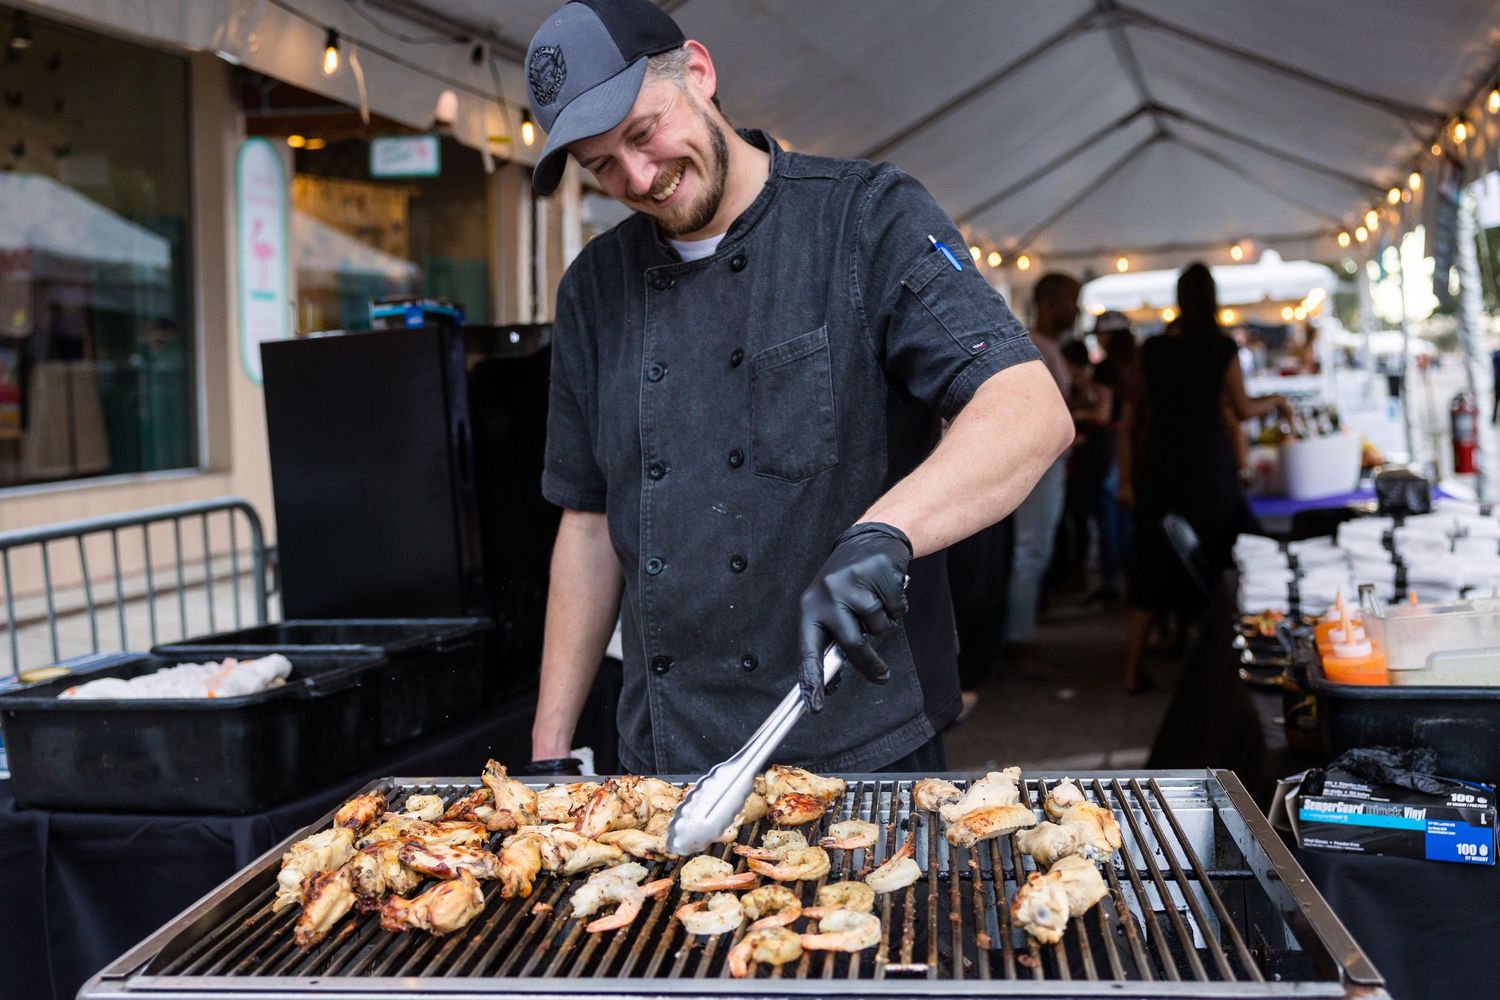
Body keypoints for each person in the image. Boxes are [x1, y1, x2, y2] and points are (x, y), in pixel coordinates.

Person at [524, 0, 1073, 774]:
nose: (639, 177)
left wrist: (887, 532)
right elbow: (587, 524)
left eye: (643, 134)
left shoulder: (865, 219)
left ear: (700, 73)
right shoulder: (592, 289)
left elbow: (1029, 409)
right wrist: (548, 753)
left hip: (858, 744)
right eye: (602, 166)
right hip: (666, 755)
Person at [1117, 263, 1291, 694]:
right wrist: (1279, 401)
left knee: (1153, 562)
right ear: (1212, 299)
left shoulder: (1153, 348)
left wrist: (1126, 477)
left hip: (1161, 463)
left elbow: (1132, 417)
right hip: (1208, 465)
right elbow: (1244, 409)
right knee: (1225, 556)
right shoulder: (1220, 348)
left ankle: (1131, 671)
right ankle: (1230, 657)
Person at [1003, 273, 1078, 646]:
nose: (1076, 309)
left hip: (1049, 464)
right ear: (1049, 302)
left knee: (1035, 550)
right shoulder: (1034, 347)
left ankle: (1020, 635)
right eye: (1071, 300)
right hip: (1040, 465)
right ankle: (1017, 641)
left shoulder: (1048, 346)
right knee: (1031, 551)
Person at [1090, 315, 1137, 603]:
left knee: (1108, 511)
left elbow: (1103, 414)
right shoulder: (1138, 363)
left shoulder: (1105, 368)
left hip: (1111, 443)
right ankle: (1131, 578)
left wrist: (1078, 415)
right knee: (1128, 514)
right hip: (1134, 442)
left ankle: (1111, 580)